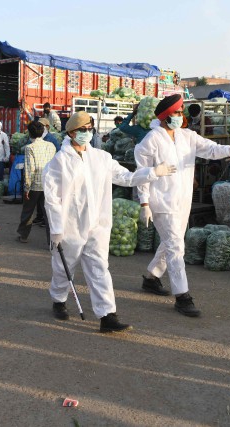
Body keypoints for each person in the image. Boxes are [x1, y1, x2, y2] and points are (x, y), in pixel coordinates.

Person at [43, 111, 176, 332]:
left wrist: (153, 172)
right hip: (70, 226)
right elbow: (52, 198)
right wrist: (56, 228)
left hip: (98, 224)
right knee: (64, 267)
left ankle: (107, 315)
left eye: (90, 129)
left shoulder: (101, 158)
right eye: (83, 130)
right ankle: (59, 299)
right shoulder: (59, 162)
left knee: (99, 269)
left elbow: (126, 177)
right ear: (72, 132)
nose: (87, 133)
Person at [135, 94, 230, 317]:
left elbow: (211, 149)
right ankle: (182, 296)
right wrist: (144, 201)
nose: (180, 116)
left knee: (171, 242)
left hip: (183, 201)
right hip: (161, 202)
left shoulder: (187, 136)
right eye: (177, 112)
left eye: (180, 112)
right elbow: (142, 174)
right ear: (166, 116)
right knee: (176, 246)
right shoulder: (151, 140)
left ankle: (151, 277)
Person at [16, 121, 55, 244]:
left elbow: (29, 169)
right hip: (48, 185)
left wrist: (26, 188)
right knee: (48, 215)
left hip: (34, 186)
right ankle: (52, 241)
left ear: (30, 133)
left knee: (28, 211)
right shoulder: (51, 146)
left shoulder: (29, 148)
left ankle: (23, 235)